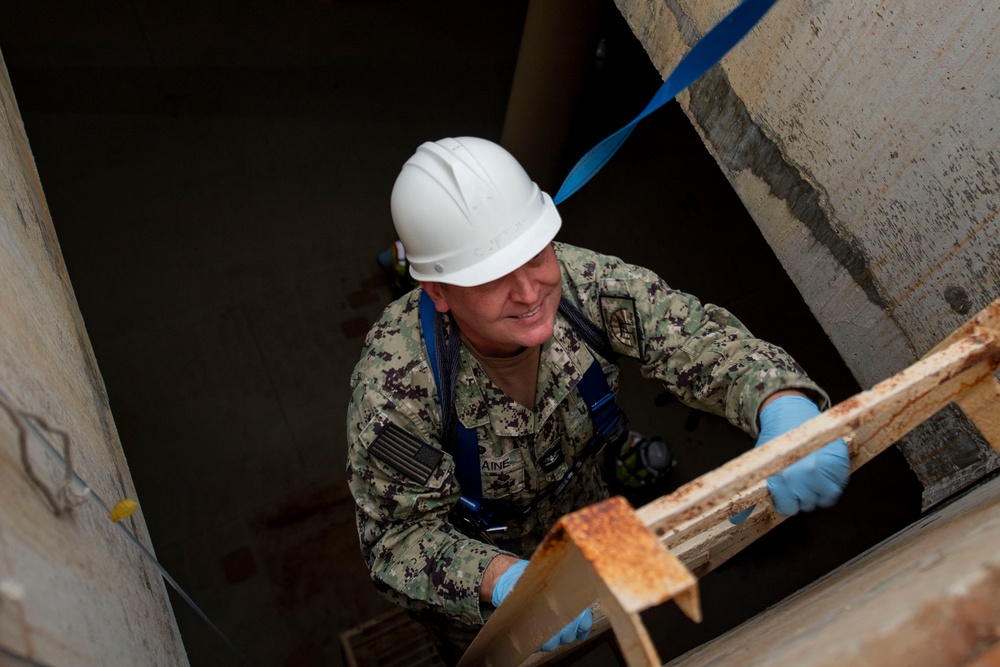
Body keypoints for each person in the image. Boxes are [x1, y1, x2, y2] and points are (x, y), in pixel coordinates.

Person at [346, 136, 850, 664]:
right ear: (438, 292)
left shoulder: (583, 284)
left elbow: (689, 336)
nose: (529, 291)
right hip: (488, 583)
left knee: (612, 615)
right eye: (491, 278)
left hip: (591, 513)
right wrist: (503, 584)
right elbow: (395, 538)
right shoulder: (398, 385)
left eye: (534, 254)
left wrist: (782, 401)